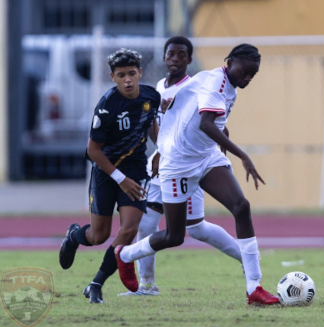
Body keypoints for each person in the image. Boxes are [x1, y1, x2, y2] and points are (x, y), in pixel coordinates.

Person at [114, 44, 279, 305]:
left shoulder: (224, 83)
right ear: (230, 62)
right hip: (178, 163)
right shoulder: (215, 81)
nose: (247, 78)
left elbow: (202, 117)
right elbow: (205, 123)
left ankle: (254, 287)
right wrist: (242, 156)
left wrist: (223, 142)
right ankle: (124, 255)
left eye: (252, 74)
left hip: (206, 157)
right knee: (174, 236)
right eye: (245, 71)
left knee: (241, 206)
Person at [58, 49, 161, 304]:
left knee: (128, 230)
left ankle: (96, 283)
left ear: (140, 73)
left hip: (137, 170)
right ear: (112, 77)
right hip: (106, 172)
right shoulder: (106, 107)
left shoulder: (151, 96)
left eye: (132, 73)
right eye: (121, 75)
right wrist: (120, 179)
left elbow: (151, 125)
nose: (128, 79)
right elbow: (93, 150)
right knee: (98, 235)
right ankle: (74, 236)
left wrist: (161, 151)